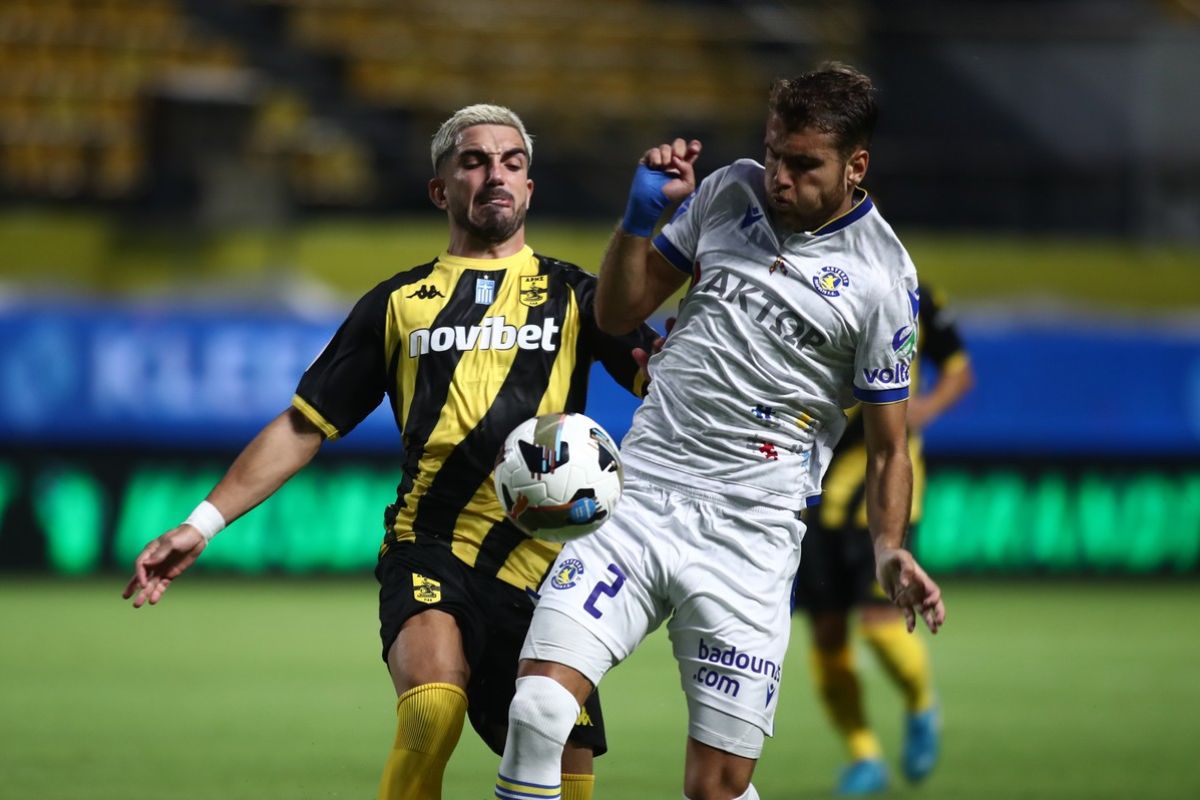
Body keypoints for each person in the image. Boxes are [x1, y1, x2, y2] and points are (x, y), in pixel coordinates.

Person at [122, 104, 660, 800]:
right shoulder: (398, 303)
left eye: (512, 162)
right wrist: (201, 524)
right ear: (440, 189)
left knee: (566, 775)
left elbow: (667, 378)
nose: (495, 175)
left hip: (544, 570)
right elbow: (304, 425)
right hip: (429, 544)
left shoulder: (579, 296)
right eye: (474, 161)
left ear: (529, 187)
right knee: (433, 707)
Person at [494, 63, 946, 800]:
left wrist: (889, 548)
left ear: (855, 166)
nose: (779, 178)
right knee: (539, 709)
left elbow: (890, 448)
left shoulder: (884, 277)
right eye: (773, 153)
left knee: (717, 788)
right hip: (639, 500)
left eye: (804, 165)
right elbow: (616, 314)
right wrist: (637, 223)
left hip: (750, 534)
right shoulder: (729, 191)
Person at [794, 282, 974, 794]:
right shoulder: (801, 286)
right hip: (812, 491)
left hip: (883, 491)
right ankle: (863, 755)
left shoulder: (911, 293)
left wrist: (925, 408)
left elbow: (960, 370)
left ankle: (921, 704)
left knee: (880, 624)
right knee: (826, 632)